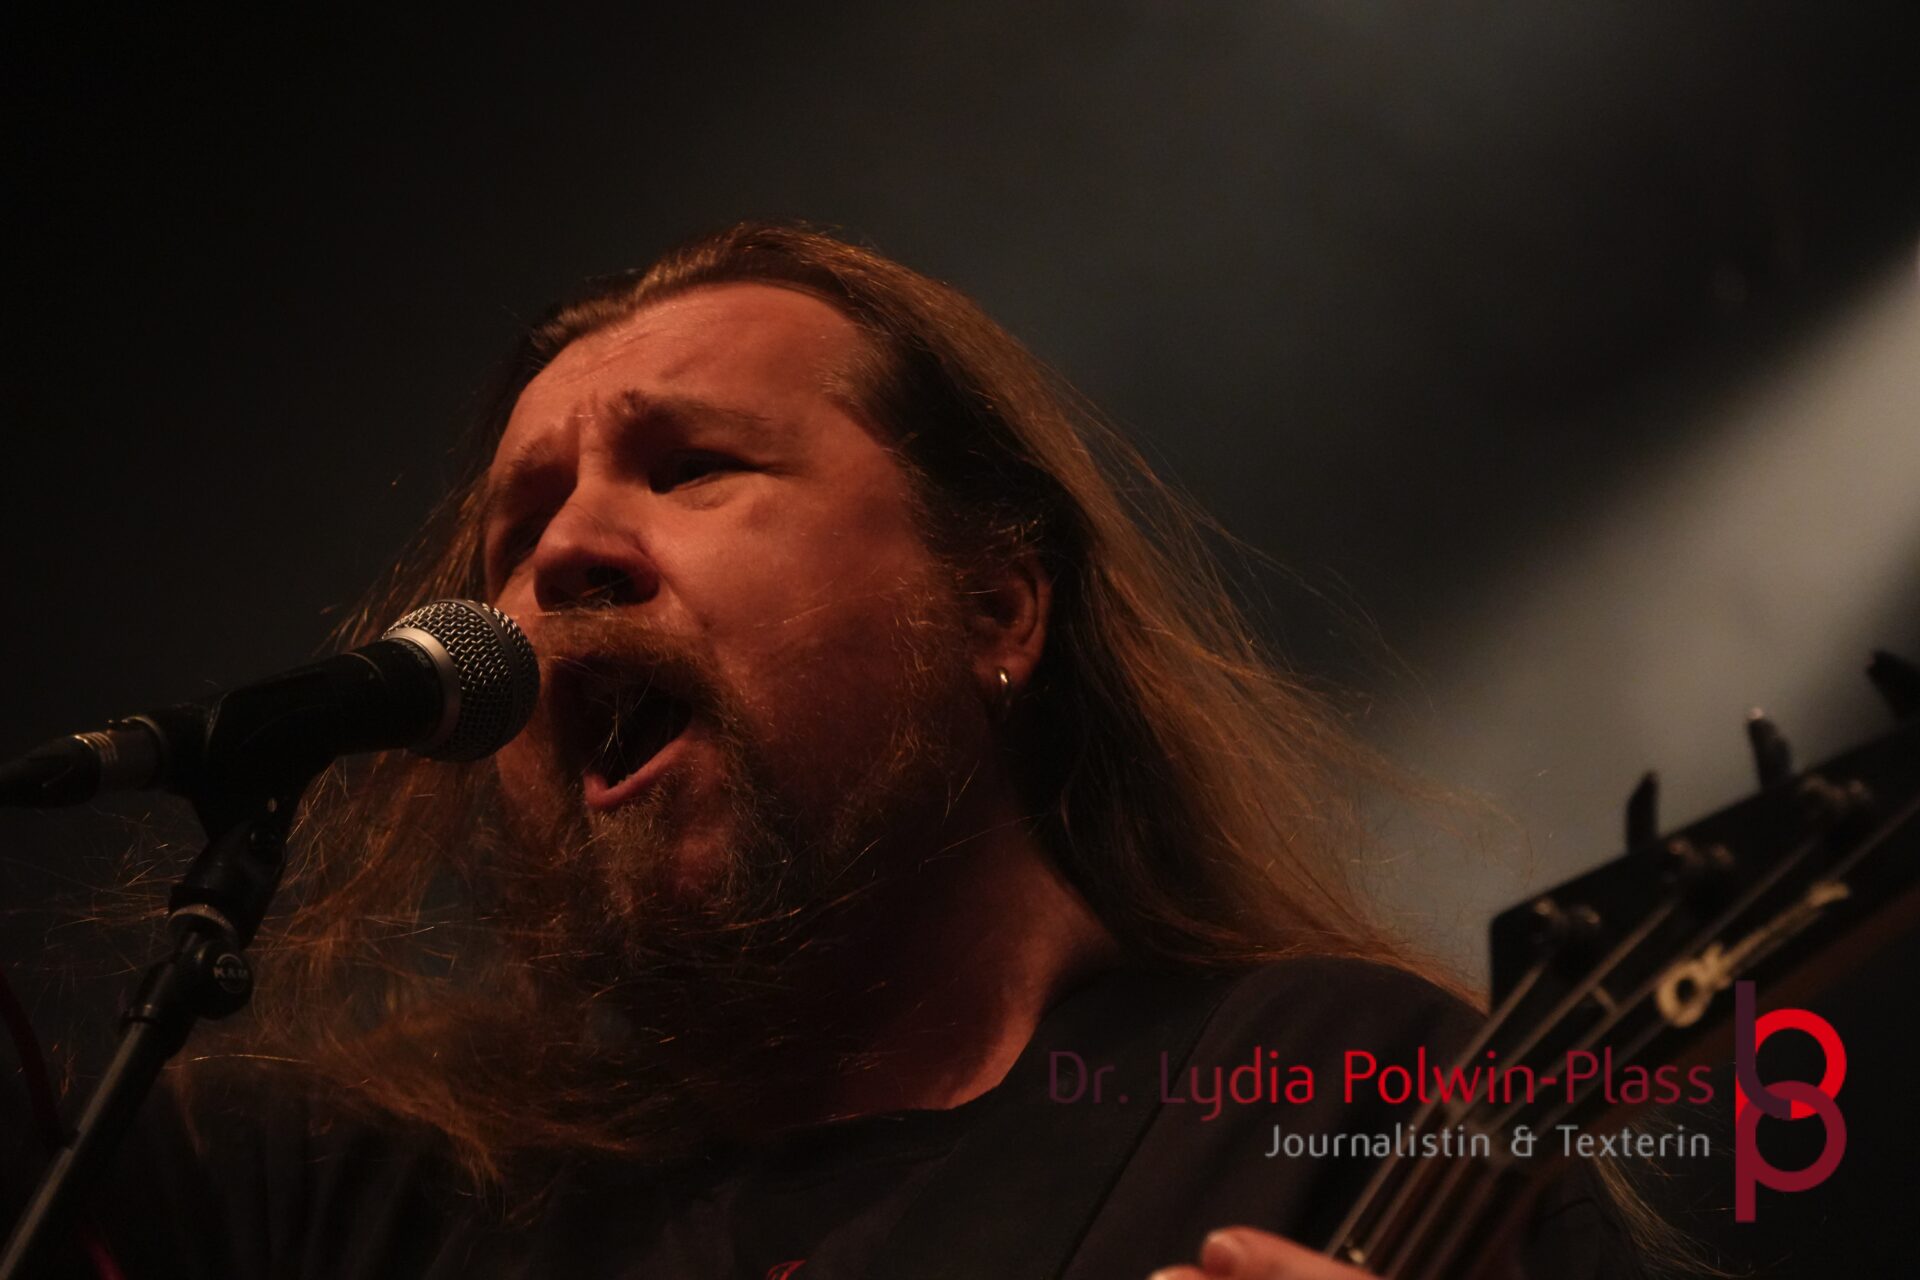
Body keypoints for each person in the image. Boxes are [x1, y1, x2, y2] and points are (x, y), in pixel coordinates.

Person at [3, 223, 1655, 1278]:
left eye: (691, 467)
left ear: (996, 605)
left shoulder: (1338, 1090)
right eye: (519, 524)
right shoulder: (356, 1195)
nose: (565, 551)